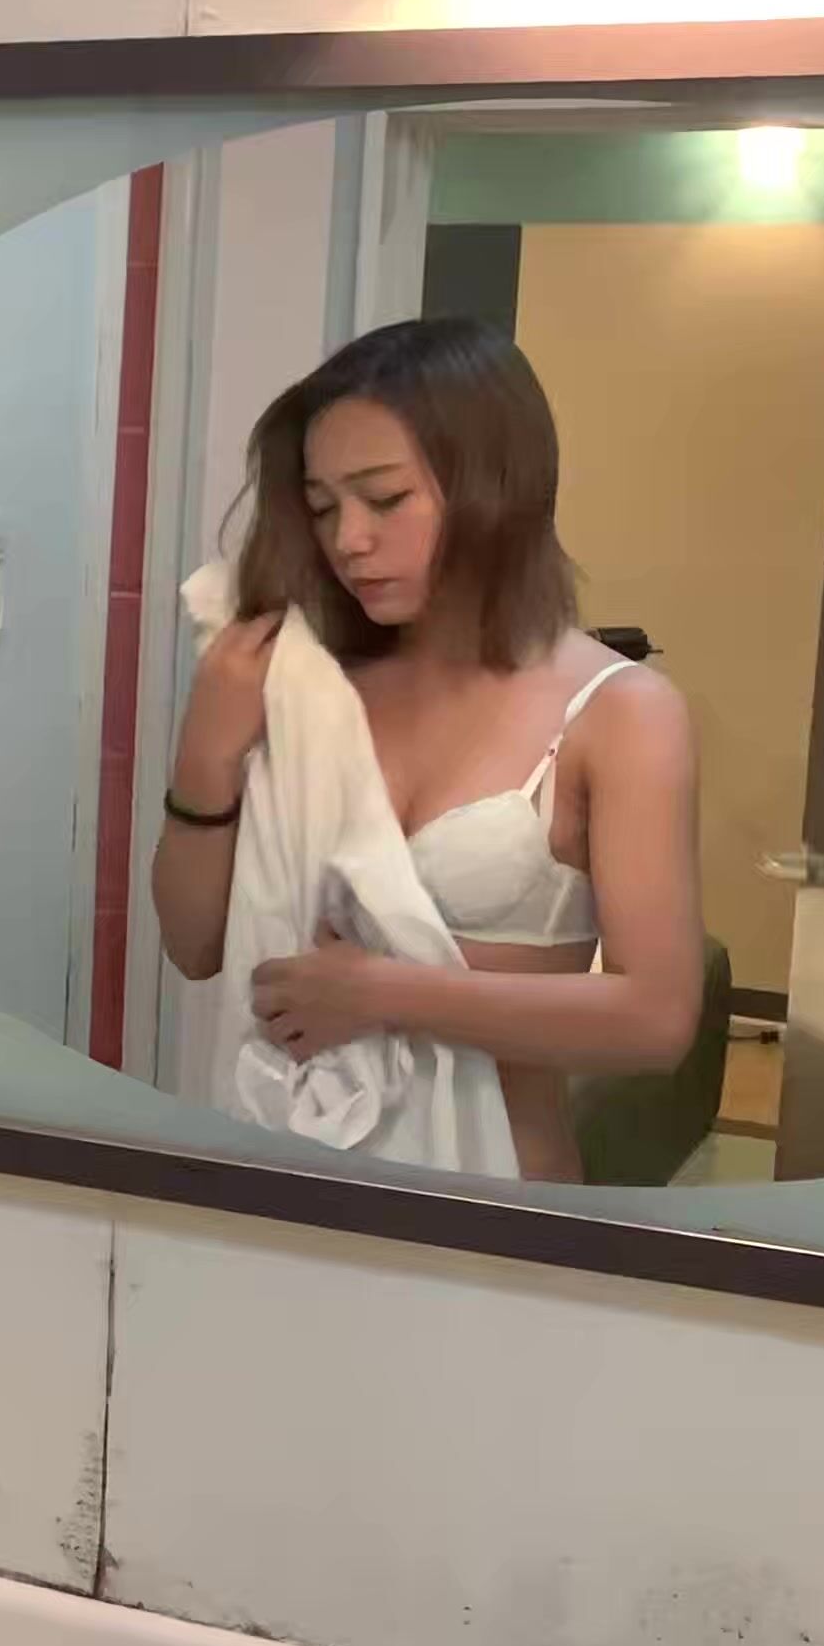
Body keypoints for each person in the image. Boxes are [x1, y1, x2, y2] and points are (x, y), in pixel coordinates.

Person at [152, 317, 705, 1184]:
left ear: (494, 484)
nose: (349, 540)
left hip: (492, 1198)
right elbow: (194, 947)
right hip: (292, 1176)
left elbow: (657, 1020)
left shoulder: (619, 713)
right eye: (324, 507)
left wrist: (383, 995)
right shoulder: (314, 692)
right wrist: (205, 755)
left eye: (384, 499)